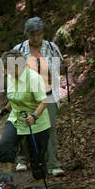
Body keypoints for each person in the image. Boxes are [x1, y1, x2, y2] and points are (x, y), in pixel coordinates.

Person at [13, 16, 66, 176]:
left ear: (43, 33)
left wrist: (64, 68)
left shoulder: (51, 48)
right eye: (32, 34)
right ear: (27, 34)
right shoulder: (19, 50)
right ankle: (23, 160)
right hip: (26, 95)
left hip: (47, 93)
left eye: (39, 34)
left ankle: (53, 164)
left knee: (49, 129)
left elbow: (60, 68)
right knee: (24, 126)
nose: (36, 38)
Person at [0, 51, 51, 183]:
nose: (5, 72)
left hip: (36, 123)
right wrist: (4, 111)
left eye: (8, 68)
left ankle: (39, 187)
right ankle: (6, 182)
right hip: (16, 118)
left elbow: (44, 101)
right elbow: (14, 97)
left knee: (36, 156)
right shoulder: (11, 77)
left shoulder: (33, 78)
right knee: (5, 146)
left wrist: (34, 116)